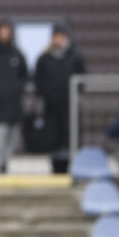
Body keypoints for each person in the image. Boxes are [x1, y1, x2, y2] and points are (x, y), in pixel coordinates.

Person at [34, 25, 86, 173]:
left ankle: (72, 166)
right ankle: (56, 167)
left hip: (70, 106)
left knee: (70, 136)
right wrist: (46, 94)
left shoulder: (74, 57)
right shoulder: (44, 58)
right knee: (53, 138)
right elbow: (38, 79)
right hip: (51, 107)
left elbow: (82, 78)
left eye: (60, 36)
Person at [0, 19, 28, 174]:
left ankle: (4, 162)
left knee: (13, 134)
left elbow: (24, 74)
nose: (5, 34)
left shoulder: (16, 53)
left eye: (7, 30)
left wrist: (17, 89)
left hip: (14, 102)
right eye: (2, 30)